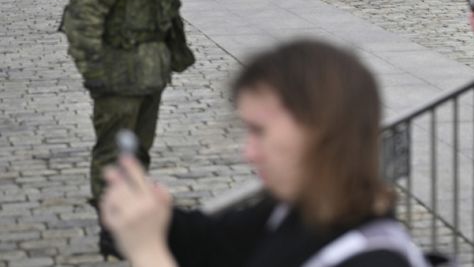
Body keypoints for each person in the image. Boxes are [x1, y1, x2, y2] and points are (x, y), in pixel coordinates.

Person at [100, 40, 430, 267]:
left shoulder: (376, 260)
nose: (249, 153)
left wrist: (148, 253)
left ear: (320, 131)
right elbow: (207, 242)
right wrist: (149, 216)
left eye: (260, 131)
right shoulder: (293, 212)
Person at [61, 0, 195, 259]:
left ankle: (134, 220)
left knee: (138, 153)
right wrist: (95, 74)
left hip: (150, 71)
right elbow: (82, 19)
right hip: (118, 78)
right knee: (113, 157)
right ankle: (112, 229)